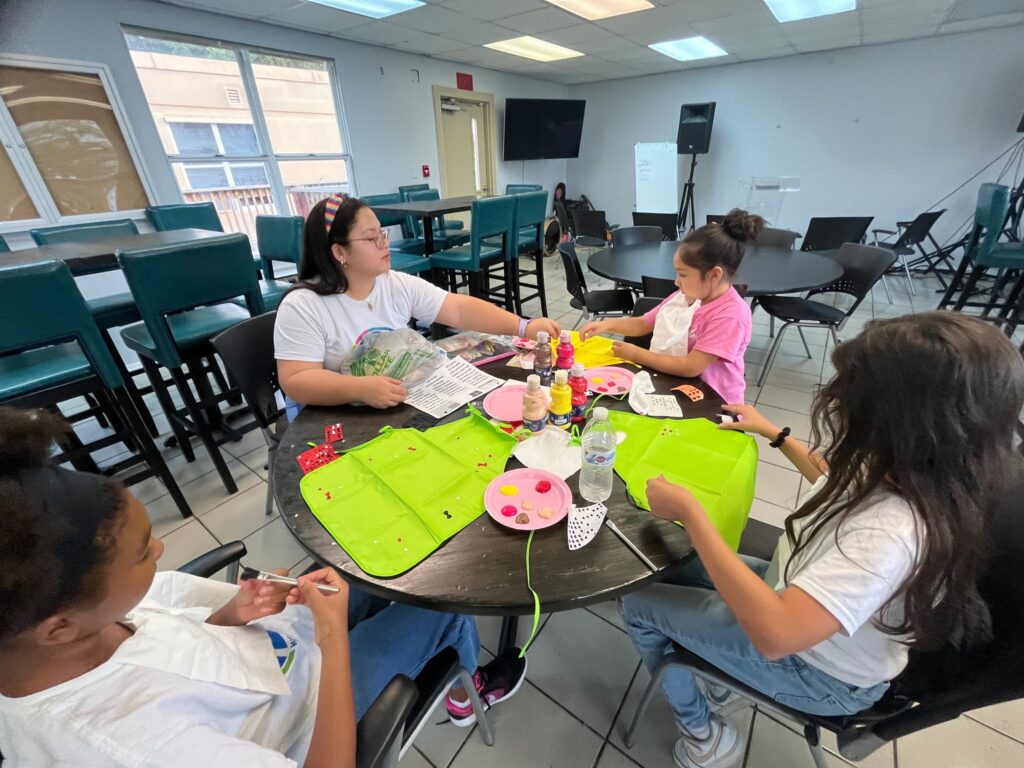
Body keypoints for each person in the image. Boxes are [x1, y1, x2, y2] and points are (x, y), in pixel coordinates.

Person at [0, 408, 523, 766]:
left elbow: (170, 642)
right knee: (440, 600)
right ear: (59, 628)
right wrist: (333, 641)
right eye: (143, 551)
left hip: (279, 651)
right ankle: (467, 692)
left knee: (390, 566)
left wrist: (232, 613)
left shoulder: (63, 625)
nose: (160, 550)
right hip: (308, 719)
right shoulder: (131, 748)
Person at [618, 312, 1024, 768]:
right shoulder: (928, 471)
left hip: (816, 672)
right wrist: (775, 434)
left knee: (639, 603)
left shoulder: (891, 532)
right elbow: (835, 480)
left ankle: (703, 737)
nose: (837, 405)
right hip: (793, 597)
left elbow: (777, 635)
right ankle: (715, 665)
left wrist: (692, 515)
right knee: (673, 561)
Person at [275, 194, 560, 413]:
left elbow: (457, 308)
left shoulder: (393, 284)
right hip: (337, 416)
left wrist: (523, 326)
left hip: (393, 403)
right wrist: (359, 389)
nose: (384, 244)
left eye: (382, 234)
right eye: (372, 238)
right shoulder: (304, 306)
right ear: (339, 252)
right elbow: (296, 379)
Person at [579, 209, 761, 405]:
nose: (676, 282)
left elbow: (690, 367)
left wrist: (636, 354)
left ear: (714, 275)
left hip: (715, 403)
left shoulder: (731, 315)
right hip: (682, 388)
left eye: (683, 274)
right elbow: (643, 323)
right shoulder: (688, 296)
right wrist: (606, 325)